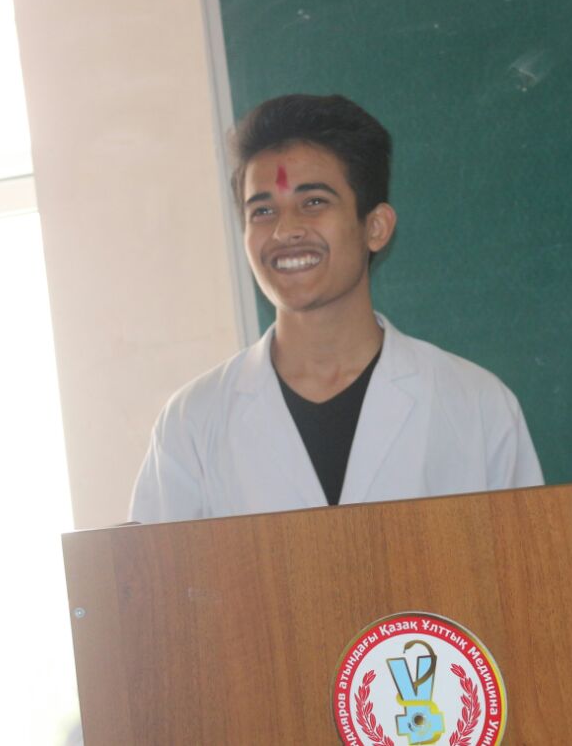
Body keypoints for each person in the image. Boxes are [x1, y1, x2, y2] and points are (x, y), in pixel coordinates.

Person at [130, 94, 543, 521]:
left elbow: (527, 559)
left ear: (376, 227)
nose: (285, 231)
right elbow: (155, 565)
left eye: (313, 202)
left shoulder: (476, 405)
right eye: (263, 211)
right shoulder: (192, 423)